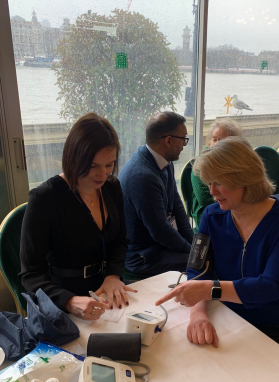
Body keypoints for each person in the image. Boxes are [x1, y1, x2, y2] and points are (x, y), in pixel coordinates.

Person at [156, 136, 279, 363]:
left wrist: (208, 290)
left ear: (246, 178)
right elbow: (197, 271)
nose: (212, 191)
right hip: (231, 318)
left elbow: (271, 287)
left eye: (219, 182)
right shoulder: (212, 216)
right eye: (208, 183)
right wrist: (198, 313)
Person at [20, 112, 135, 321]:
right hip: (62, 300)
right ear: (74, 158)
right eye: (93, 166)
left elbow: (119, 240)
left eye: (109, 165)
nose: (103, 175)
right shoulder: (44, 198)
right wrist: (69, 301)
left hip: (107, 291)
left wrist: (112, 274)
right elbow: (30, 274)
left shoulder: (111, 187)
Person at [119, 112, 194, 276]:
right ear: (169, 141)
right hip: (143, 256)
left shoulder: (164, 162)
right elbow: (161, 232)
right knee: (207, 263)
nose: (184, 145)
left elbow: (177, 209)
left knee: (208, 250)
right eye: (184, 139)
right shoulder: (142, 177)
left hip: (159, 245)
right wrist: (195, 254)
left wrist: (194, 246)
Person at [191, 118, 248, 229]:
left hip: (237, 210)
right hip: (209, 215)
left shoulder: (239, 160)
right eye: (214, 139)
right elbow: (205, 199)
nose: (216, 144)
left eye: (221, 140)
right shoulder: (200, 164)